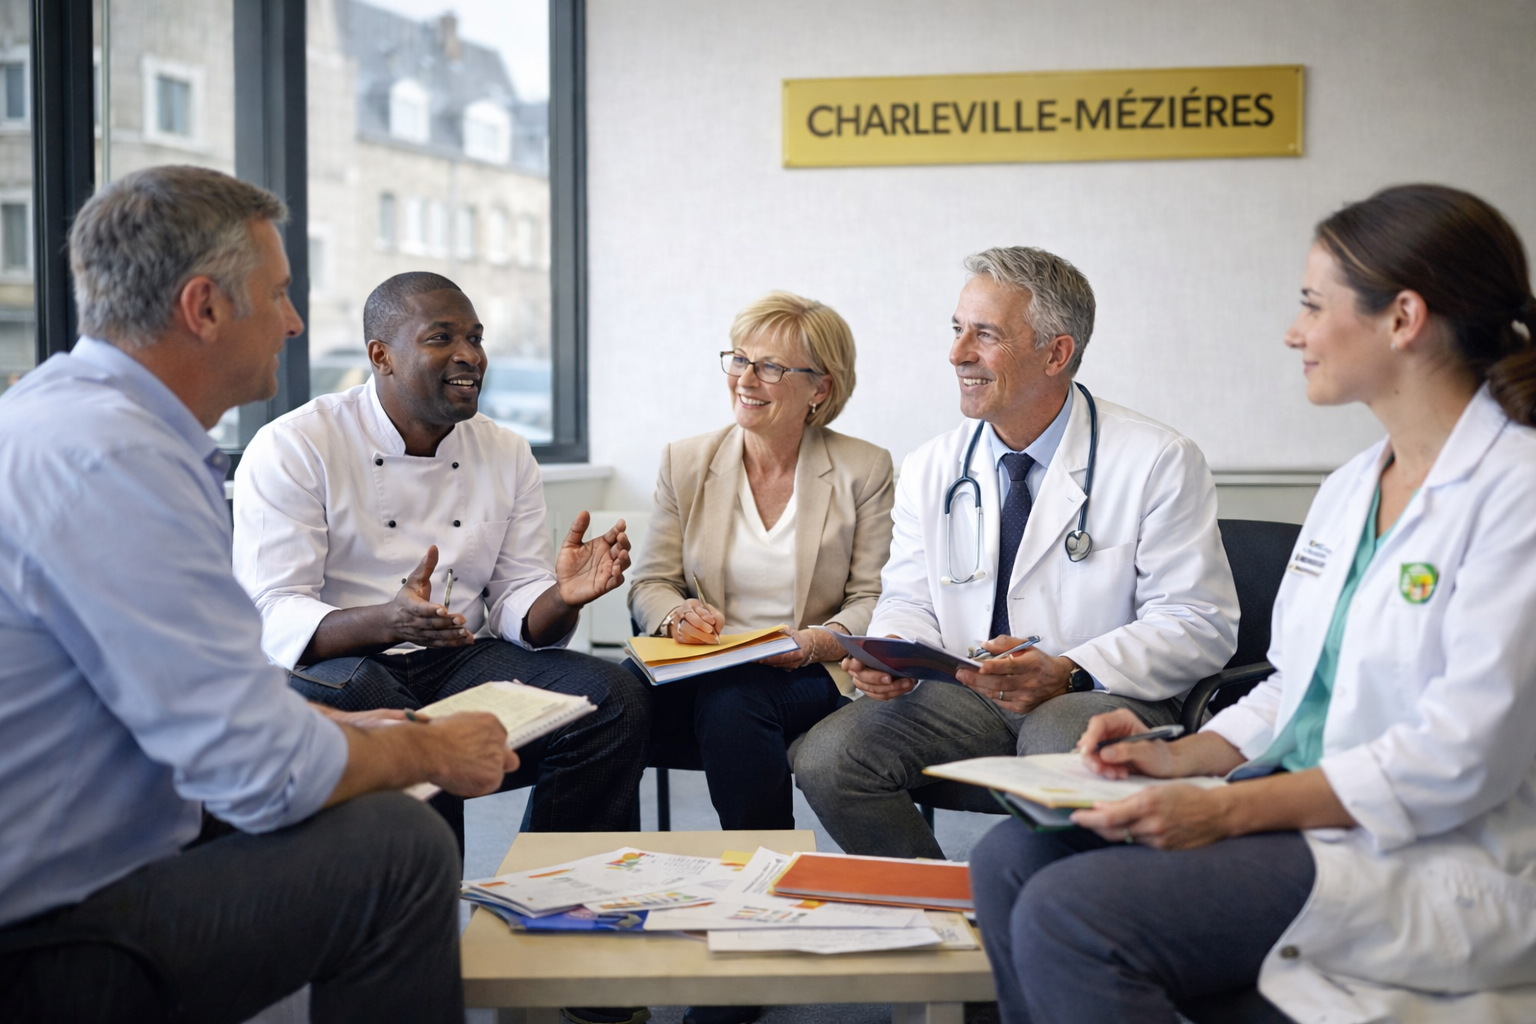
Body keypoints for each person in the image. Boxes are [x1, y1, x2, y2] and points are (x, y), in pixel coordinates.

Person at [969, 184, 1536, 1023]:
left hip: (1439, 855)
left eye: (1312, 305)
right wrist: (1182, 755)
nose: (1294, 332)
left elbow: (1457, 757)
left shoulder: (1514, 492)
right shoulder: (1354, 488)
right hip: (1311, 811)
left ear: (1403, 318)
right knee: (1011, 856)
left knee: (1073, 913)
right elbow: (1295, 686)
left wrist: (1224, 806)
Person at [0, 165, 516, 1023]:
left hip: (68, 856)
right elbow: (258, 773)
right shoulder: (122, 466)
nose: (294, 322)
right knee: (398, 846)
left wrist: (355, 729)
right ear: (203, 308)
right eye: (277, 295)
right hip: (45, 940)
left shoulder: (52, 417)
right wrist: (428, 752)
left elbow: (179, 695)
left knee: (358, 756)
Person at [794, 246, 1239, 859]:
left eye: (985, 335)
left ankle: (1044, 917)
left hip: (1099, 691)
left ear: (1055, 353)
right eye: (956, 330)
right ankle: (944, 910)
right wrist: (891, 653)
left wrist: (1070, 668)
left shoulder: (1158, 459)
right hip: (967, 690)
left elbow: (1200, 623)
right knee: (830, 757)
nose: (957, 354)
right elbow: (909, 598)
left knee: (1059, 750)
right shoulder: (932, 466)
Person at [232, 272, 651, 852]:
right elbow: (272, 612)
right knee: (374, 697)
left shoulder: (505, 450)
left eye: (476, 338)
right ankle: (430, 901)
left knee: (611, 694)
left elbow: (515, 603)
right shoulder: (296, 446)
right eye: (442, 338)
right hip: (339, 663)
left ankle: (558, 890)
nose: (470, 356)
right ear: (382, 356)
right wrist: (391, 621)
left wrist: (561, 596)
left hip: (455, 661)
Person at [627, 291, 895, 830]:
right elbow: (652, 581)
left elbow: (875, 597)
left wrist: (813, 642)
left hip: (811, 666)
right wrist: (677, 616)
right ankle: (588, 873)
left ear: (820, 387)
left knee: (734, 701)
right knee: (604, 702)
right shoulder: (685, 460)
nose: (746, 380)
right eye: (740, 360)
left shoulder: (863, 468)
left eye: (770, 367)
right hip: (700, 662)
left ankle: (766, 873)